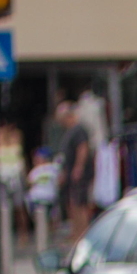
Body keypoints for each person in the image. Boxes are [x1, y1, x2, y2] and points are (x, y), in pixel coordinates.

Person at [46, 101, 90, 238]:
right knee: (72, 203)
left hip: (77, 173)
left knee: (79, 203)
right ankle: (75, 232)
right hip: (69, 172)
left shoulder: (79, 130)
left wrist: (79, 167)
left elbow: (83, 148)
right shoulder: (69, 132)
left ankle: (83, 233)